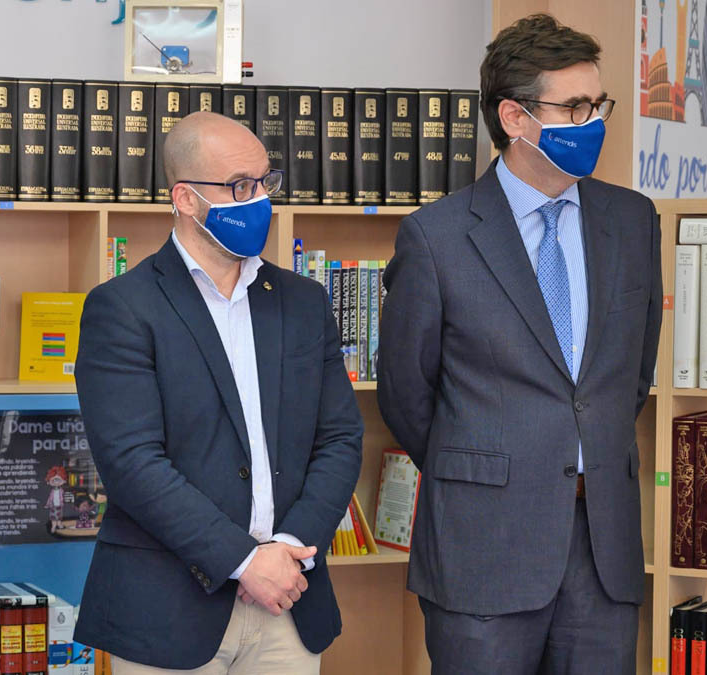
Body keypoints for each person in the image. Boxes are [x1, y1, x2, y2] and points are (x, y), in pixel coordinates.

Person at [378, 13, 662, 673]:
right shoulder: (436, 237)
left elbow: (632, 376)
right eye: (575, 107)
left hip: (603, 549)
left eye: (599, 105)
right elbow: (406, 394)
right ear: (514, 117)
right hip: (484, 547)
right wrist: (498, 467)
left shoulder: (632, 220)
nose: (593, 122)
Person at [73, 111, 364, 674]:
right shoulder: (122, 308)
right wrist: (243, 561)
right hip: (169, 608)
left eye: (265, 182)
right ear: (185, 198)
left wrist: (289, 548)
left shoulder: (304, 302)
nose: (260, 200)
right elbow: (133, 464)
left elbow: (341, 438)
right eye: (239, 186)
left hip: (289, 597)